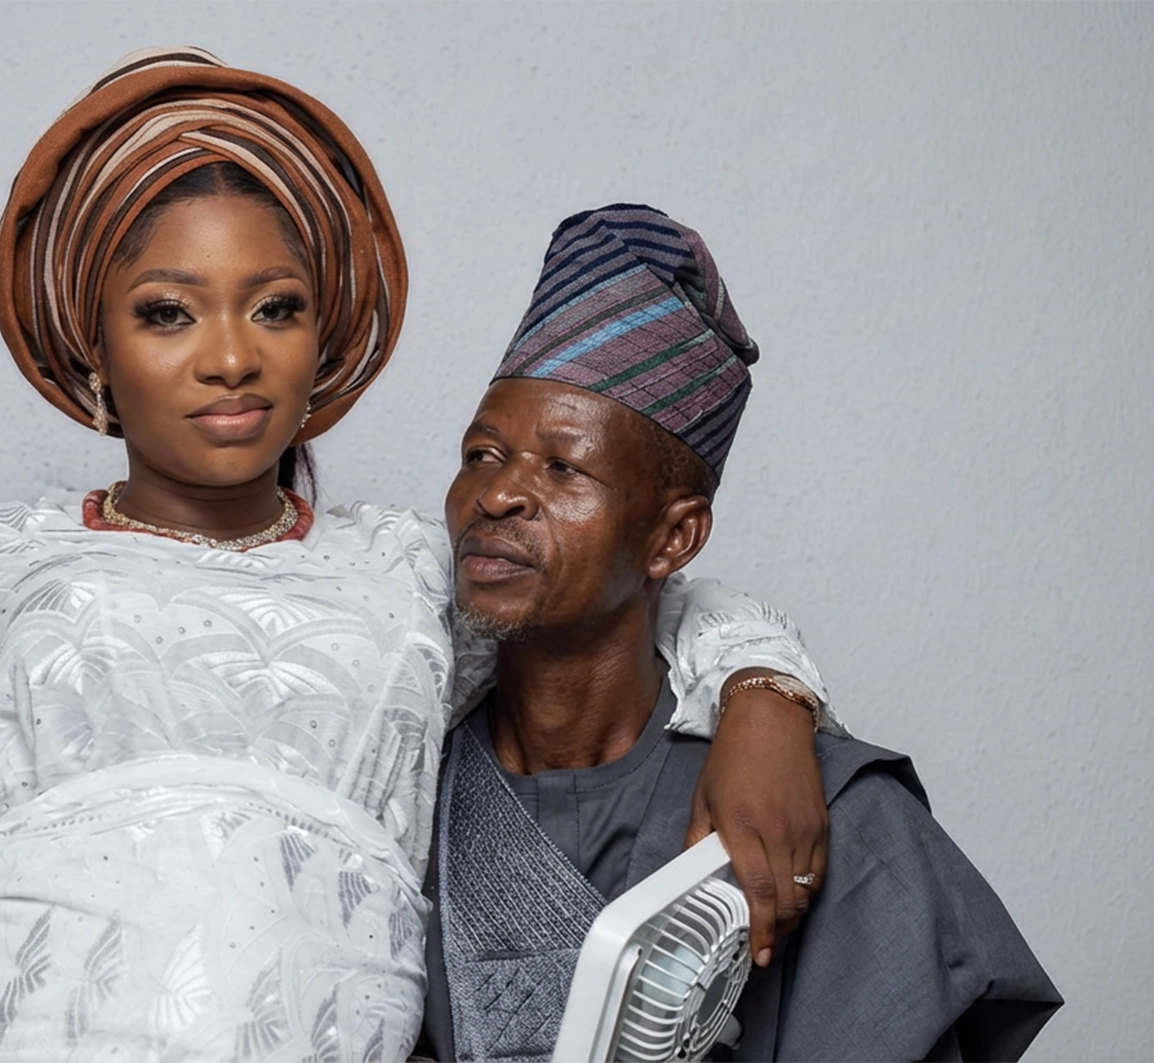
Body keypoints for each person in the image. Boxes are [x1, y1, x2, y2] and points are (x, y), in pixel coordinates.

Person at [0, 51, 841, 1062]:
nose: (229, 357)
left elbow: (641, 600)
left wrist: (766, 697)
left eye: (276, 308)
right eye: (167, 313)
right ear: (93, 350)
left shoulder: (410, 576)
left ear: (323, 344)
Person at [422, 205, 1061, 1062]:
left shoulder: (821, 815)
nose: (496, 495)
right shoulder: (399, 783)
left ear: (674, 537)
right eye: (481, 455)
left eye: (564, 467)